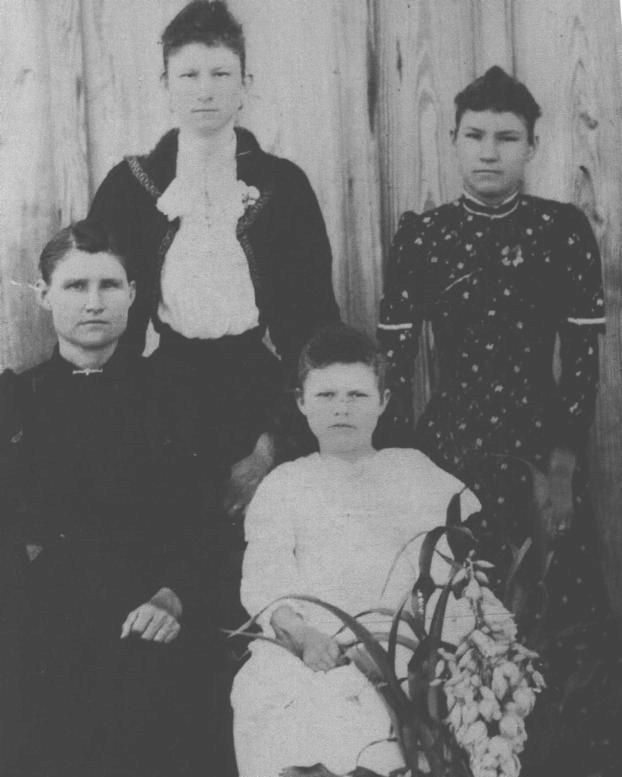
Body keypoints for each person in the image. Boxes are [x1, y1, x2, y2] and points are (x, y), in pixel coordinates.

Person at [378, 66, 619, 775]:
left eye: (506, 138)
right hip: (448, 446)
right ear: (453, 142)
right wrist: (398, 467)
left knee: (554, 604)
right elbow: (391, 365)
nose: (489, 151)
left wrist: (563, 466)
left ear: (533, 145)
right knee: (454, 608)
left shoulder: (561, 230)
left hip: (541, 449)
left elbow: (580, 365)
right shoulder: (423, 236)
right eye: (475, 136)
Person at [88, 0, 339, 515]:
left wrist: (273, 446)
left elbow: (311, 326)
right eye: (189, 74)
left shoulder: (282, 186)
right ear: (165, 84)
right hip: (163, 391)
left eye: (221, 73)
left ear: (246, 82)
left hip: (258, 391)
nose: (205, 89)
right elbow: (111, 322)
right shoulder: (130, 186)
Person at [0, 221, 214, 777]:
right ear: (44, 296)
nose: (93, 303)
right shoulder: (16, 402)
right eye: (75, 287)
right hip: (44, 629)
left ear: (133, 293)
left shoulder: (176, 400)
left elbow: (202, 522)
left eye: (109, 285)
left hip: (149, 617)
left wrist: (174, 597)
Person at [231, 324, 480, 777]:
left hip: (402, 643)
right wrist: (304, 637)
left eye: (357, 396)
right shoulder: (286, 484)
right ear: (301, 402)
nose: (341, 409)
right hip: (310, 645)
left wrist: (421, 643)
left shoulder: (413, 472)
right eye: (325, 396)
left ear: (383, 401)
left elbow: (450, 577)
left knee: (397, 707)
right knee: (271, 693)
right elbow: (266, 580)